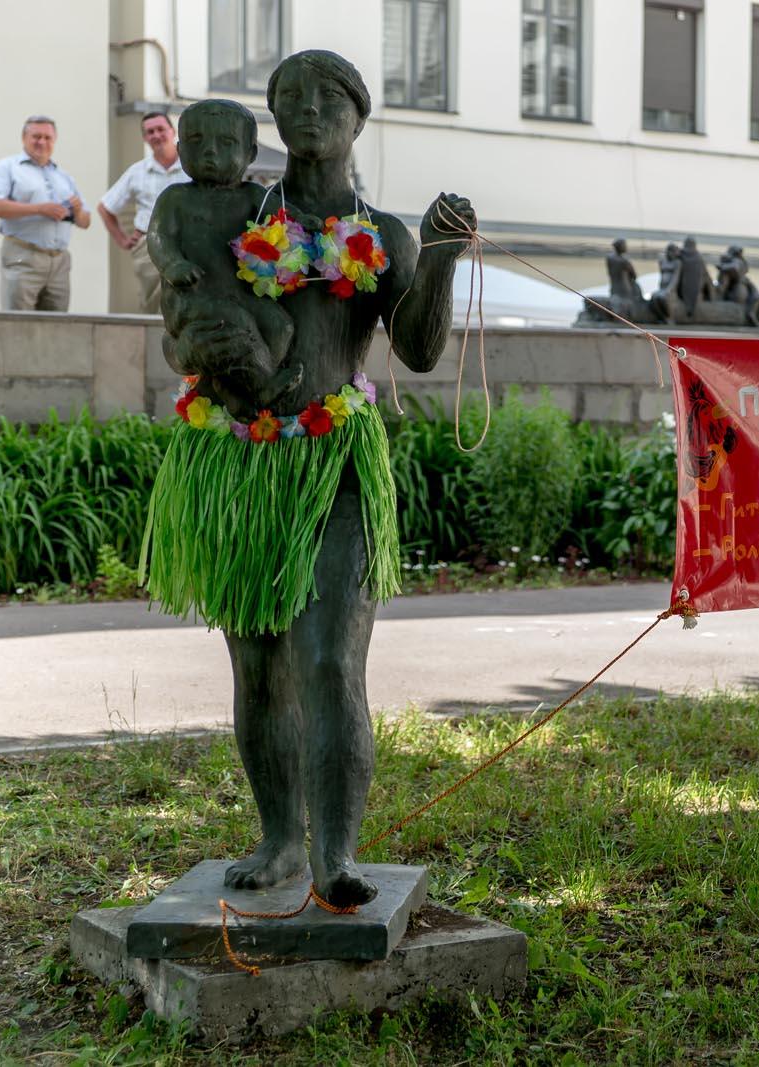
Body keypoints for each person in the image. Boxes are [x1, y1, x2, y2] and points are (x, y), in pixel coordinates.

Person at [141, 51, 474, 908]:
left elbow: (423, 350)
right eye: (289, 96)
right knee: (258, 667)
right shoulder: (231, 212)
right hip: (240, 459)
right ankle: (280, 840)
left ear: (360, 115)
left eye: (329, 96)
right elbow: (179, 327)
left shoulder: (383, 235)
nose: (307, 110)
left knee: (330, 659)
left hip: (338, 465)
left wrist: (436, 258)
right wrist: (203, 350)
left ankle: (336, 855)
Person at [148, 100, 302, 411]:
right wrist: (172, 264)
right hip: (195, 300)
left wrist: (305, 224)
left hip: (241, 296)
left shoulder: (253, 196)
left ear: (251, 153)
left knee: (279, 325)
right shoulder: (175, 198)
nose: (210, 151)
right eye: (197, 142)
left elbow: (285, 218)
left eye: (226, 142)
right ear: (179, 150)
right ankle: (262, 387)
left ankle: (236, 390)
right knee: (233, 323)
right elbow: (158, 237)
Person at [0, 115, 90, 311]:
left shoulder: (63, 176)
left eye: (47, 138)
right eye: (36, 136)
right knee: (19, 325)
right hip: (23, 257)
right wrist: (40, 209)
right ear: (24, 138)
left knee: (57, 327)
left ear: (54, 141)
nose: (42, 142)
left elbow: (85, 222)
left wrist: (78, 210)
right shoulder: (7, 168)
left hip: (59, 262)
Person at [98, 111, 188, 312]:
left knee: (187, 301)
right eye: (150, 131)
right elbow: (105, 207)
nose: (156, 135)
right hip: (148, 246)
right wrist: (122, 239)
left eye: (160, 129)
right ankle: (152, 344)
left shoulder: (190, 168)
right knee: (153, 304)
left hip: (188, 244)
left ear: (172, 131)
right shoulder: (137, 171)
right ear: (145, 138)